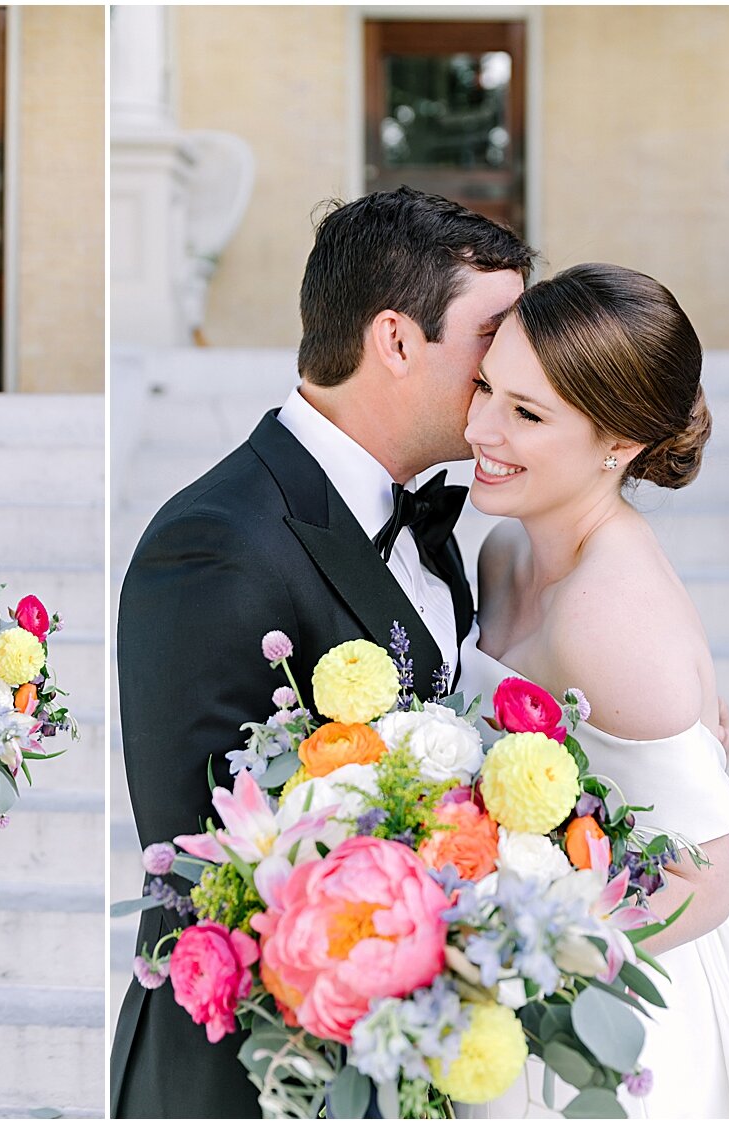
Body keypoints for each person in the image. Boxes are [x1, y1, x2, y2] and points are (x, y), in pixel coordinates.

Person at [111, 187, 536, 1117]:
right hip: (251, 1073)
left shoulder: (428, 518)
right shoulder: (216, 539)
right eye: (494, 334)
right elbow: (206, 863)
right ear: (395, 340)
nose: (516, 363)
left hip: (397, 1049)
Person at [455, 263, 729, 1118]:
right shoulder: (506, 549)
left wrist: (519, 958)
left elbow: (705, 884)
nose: (480, 425)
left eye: (525, 413)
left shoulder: (611, 619)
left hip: (611, 1011)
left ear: (618, 443)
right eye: (486, 386)